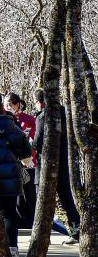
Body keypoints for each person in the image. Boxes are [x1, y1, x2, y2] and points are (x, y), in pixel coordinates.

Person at [0, 92, 33, 257]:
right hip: (12, 177)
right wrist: (24, 161)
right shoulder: (12, 126)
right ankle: (12, 249)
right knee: (10, 213)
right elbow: (26, 151)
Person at [34, 89, 81, 243]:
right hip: (64, 164)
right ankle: (77, 229)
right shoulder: (66, 114)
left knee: (42, 201)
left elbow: (38, 142)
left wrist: (30, 144)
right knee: (67, 199)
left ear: (40, 102)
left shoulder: (42, 117)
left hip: (46, 167)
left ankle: (40, 235)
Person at [7, 92, 38, 229]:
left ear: (17, 104)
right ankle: (19, 219)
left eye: (10, 104)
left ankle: (32, 218)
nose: (8, 107)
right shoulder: (6, 120)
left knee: (29, 190)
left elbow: (34, 138)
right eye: (6, 104)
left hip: (27, 161)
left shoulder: (29, 119)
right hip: (13, 162)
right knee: (17, 191)